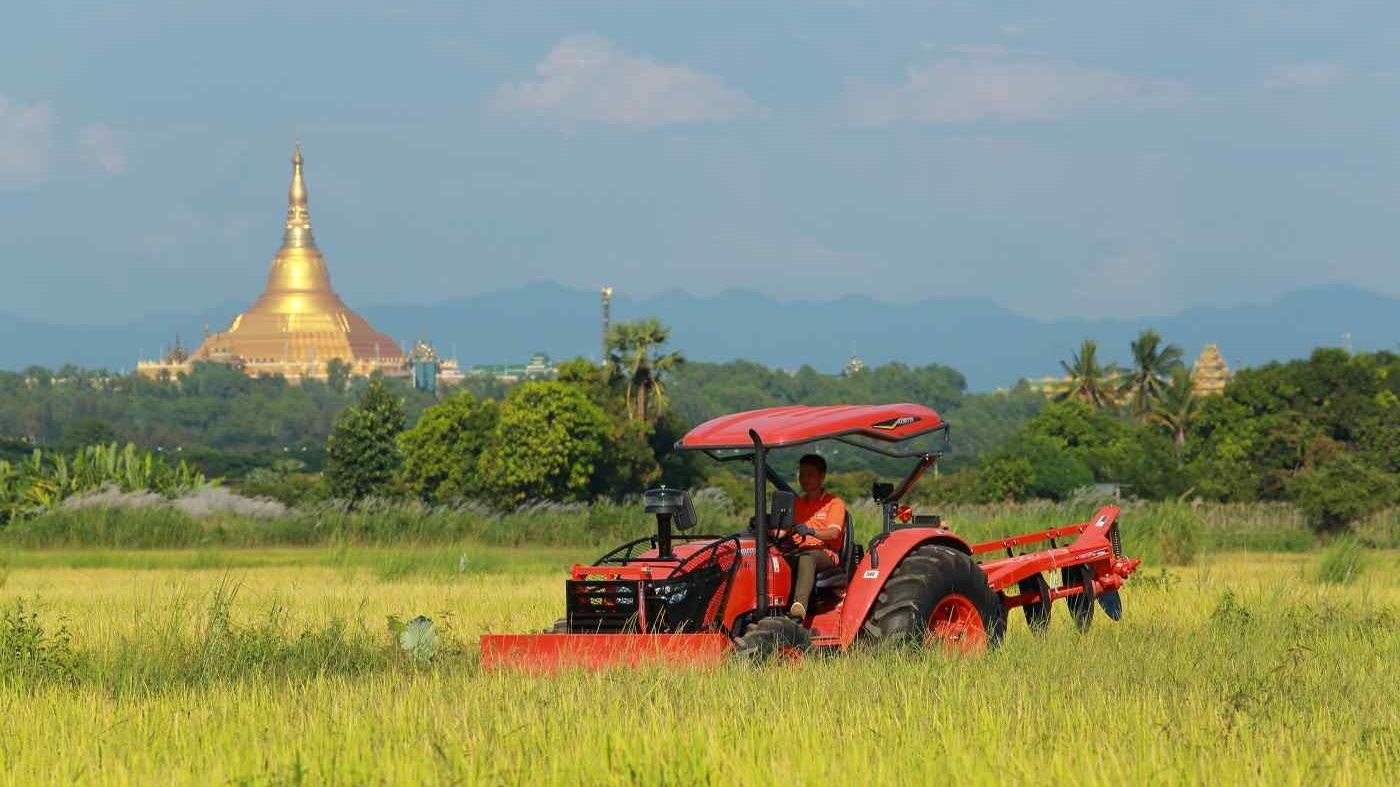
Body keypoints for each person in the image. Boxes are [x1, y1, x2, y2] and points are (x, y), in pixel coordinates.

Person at [785, 453, 846, 620]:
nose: (804, 479)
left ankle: (798, 610)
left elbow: (834, 533)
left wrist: (810, 531)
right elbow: (785, 530)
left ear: (822, 477)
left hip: (824, 553)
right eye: (802, 474)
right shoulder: (796, 503)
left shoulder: (834, 503)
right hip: (797, 549)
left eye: (809, 474)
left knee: (807, 557)